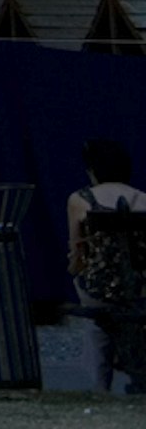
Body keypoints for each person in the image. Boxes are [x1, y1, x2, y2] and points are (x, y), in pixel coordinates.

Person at [69, 141, 146, 393]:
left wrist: (74, 268)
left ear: (93, 170)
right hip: (140, 288)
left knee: (95, 321)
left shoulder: (80, 199)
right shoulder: (143, 199)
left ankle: (100, 385)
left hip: (99, 289)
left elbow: (78, 253)